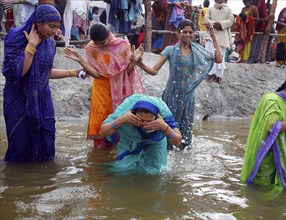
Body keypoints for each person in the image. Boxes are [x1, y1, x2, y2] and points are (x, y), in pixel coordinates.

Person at [2, 4, 84, 162]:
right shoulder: (17, 37)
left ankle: (43, 180)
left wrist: (73, 72)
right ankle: (19, 183)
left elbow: (44, 73)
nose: (54, 31)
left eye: (57, 27)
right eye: (50, 26)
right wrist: (31, 45)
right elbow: (17, 73)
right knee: (19, 144)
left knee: (46, 141)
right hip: (19, 99)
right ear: (37, 23)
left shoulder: (50, 44)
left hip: (42, 98)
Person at [137, 19, 222, 149]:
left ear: (193, 34)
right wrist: (140, 63)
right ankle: (164, 154)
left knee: (186, 130)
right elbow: (154, 71)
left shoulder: (197, 51)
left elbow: (219, 59)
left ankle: (184, 155)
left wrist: (212, 33)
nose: (187, 35)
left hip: (188, 97)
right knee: (167, 127)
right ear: (178, 33)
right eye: (184, 32)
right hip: (171, 96)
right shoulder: (170, 50)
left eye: (190, 32)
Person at [63, 23, 146, 150]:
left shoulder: (122, 45)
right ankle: (100, 154)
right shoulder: (91, 48)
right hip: (101, 90)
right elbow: (97, 74)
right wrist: (80, 59)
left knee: (120, 119)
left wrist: (134, 61)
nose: (101, 45)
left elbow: (128, 71)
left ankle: (119, 151)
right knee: (101, 121)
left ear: (109, 35)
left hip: (121, 88)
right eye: (98, 43)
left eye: (103, 41)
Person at [99, 94, 182, 174]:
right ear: (133, 114)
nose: (145, 125)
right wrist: (121, 120)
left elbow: (178, 142)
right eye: (141, 120)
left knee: (158, 171)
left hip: (155, 142)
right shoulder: (124, 110)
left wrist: (164, 127)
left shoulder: (164, 112)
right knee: (123, 170)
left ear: (156, 117)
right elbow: (102, 132)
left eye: (149, 121)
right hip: (129, 138)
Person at [204, 0, 234, 83]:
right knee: (209, 54)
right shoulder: (210, 9)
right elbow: (206, 19)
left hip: (222, 36)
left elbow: (231, 21)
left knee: (221, 56)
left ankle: (218, 76)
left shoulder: (228, 9)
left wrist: (220, 24)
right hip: (211, 35)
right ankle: (209, 74)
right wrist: (214, 24)